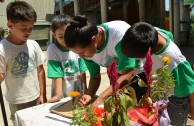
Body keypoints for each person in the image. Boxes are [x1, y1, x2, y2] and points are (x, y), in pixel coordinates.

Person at [121, 22, 194, 126]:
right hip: (161, 94)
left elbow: (190, 84)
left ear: (148, 51)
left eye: (136, 56)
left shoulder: (174, 61)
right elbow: (168, 34)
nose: (135, 59)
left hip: (176, 100)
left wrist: (192, 107)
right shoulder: (152, 33)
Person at [64, 15, 147, 107]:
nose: (81, 57)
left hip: (140, 74)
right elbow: (95, 77)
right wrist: (89, 94)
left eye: (82, 53)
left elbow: (127, 74)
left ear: (94, 39)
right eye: (77, 54)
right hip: (118, 76)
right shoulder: (87, 44)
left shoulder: (118, 36)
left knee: (139, 109)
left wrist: (102, 98)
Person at [0, 1, 47, 125]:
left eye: (31, 28)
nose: (28, 31)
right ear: (10, 25)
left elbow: (40, 70)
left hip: (36, 97)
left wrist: (43, 94)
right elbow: (1, 74)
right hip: (16, 101)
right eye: (23, 28)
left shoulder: (33, 45)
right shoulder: (2, 48)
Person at [47, 15, 88, 103]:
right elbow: (56, 73)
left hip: (78, 92)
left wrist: (85, 90)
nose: (65, 39)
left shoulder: (78, 45)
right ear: (54, 35)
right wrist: (58, 95)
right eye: (61, 37)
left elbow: (82, 71)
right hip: (62, 94)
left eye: (67, 35)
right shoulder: (52, 49)